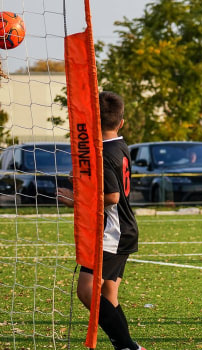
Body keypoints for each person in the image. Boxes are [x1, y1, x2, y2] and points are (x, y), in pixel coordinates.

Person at [58, 91, 145, 350]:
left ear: (93, 122)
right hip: (125, 228)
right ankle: (127, 346)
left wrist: (77, 200)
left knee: (86, 291)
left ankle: (128, 346)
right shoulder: (120, 144)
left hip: (114, 231)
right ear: (121, 123)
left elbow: (112, 196)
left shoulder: (103, 153)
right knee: (108, 294)